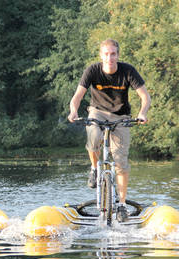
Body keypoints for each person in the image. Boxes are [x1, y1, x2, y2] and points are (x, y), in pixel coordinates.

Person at [68, 39, 151, 222]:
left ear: (118, 55)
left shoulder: (127, 70)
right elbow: (77, 96)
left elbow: (145, 96)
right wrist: (73, 110)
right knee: (94, 136)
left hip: (121, 117)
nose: (110, 57)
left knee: (121, 161)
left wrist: (142, 113)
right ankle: (94, 168)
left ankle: (121, 205)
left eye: (113, 54)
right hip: (97, 113)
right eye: (106, 54)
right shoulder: (92, 70)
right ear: (101, 56)